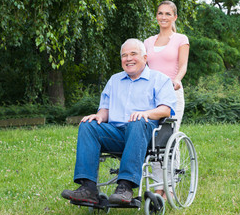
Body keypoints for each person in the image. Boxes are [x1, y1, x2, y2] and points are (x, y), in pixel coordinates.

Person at [61, 38, 176, 205]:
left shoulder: (159, 79)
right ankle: (88, 188)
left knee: (137, 122)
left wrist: (145, 113)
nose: (128, 58)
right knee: (88, 124)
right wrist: (99, 116)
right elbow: (105, 108)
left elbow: (165, 109)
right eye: (124, 55)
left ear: (145, 57)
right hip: (116, 133)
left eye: (133, 54)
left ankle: (125, 187)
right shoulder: (114, 80)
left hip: (145, 133)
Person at [144, 0, 190, 199]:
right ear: (156, 16)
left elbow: (183, 65)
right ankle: (158, 186)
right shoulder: (147, 42)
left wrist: (177, 79)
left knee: (169, 136)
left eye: (167, 14)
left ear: (174, 17)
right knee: (154, 141)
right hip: (150, 96)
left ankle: (169, 185)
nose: (163, 17)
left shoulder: (181, 39)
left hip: (172, 92)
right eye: (160, 13)